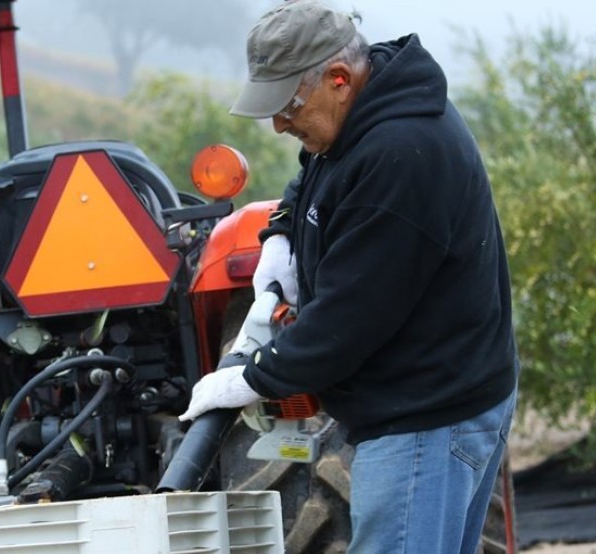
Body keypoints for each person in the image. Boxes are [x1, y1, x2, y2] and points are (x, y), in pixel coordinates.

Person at [179, 1, 519, 552]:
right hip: (430, 397)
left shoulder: (400, 155)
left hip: (427, 417)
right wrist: (282, 236)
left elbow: (346, 323)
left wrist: (250, 379)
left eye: (287, 105)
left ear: (338, 78)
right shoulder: (357, 111)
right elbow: (310, 178)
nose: (277, 123)